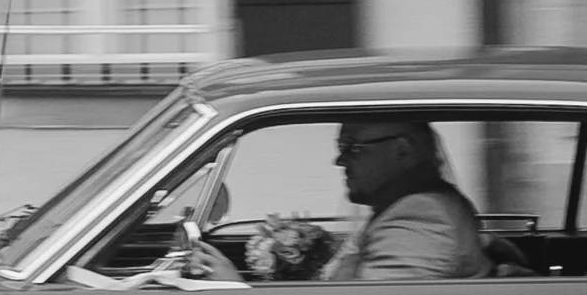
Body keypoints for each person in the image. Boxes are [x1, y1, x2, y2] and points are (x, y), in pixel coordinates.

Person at [181, 119, 491, 282]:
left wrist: (236, 294)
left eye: (352, 147)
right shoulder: (400, 208)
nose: (339, 160)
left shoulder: (420, 215)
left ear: (403, 151)